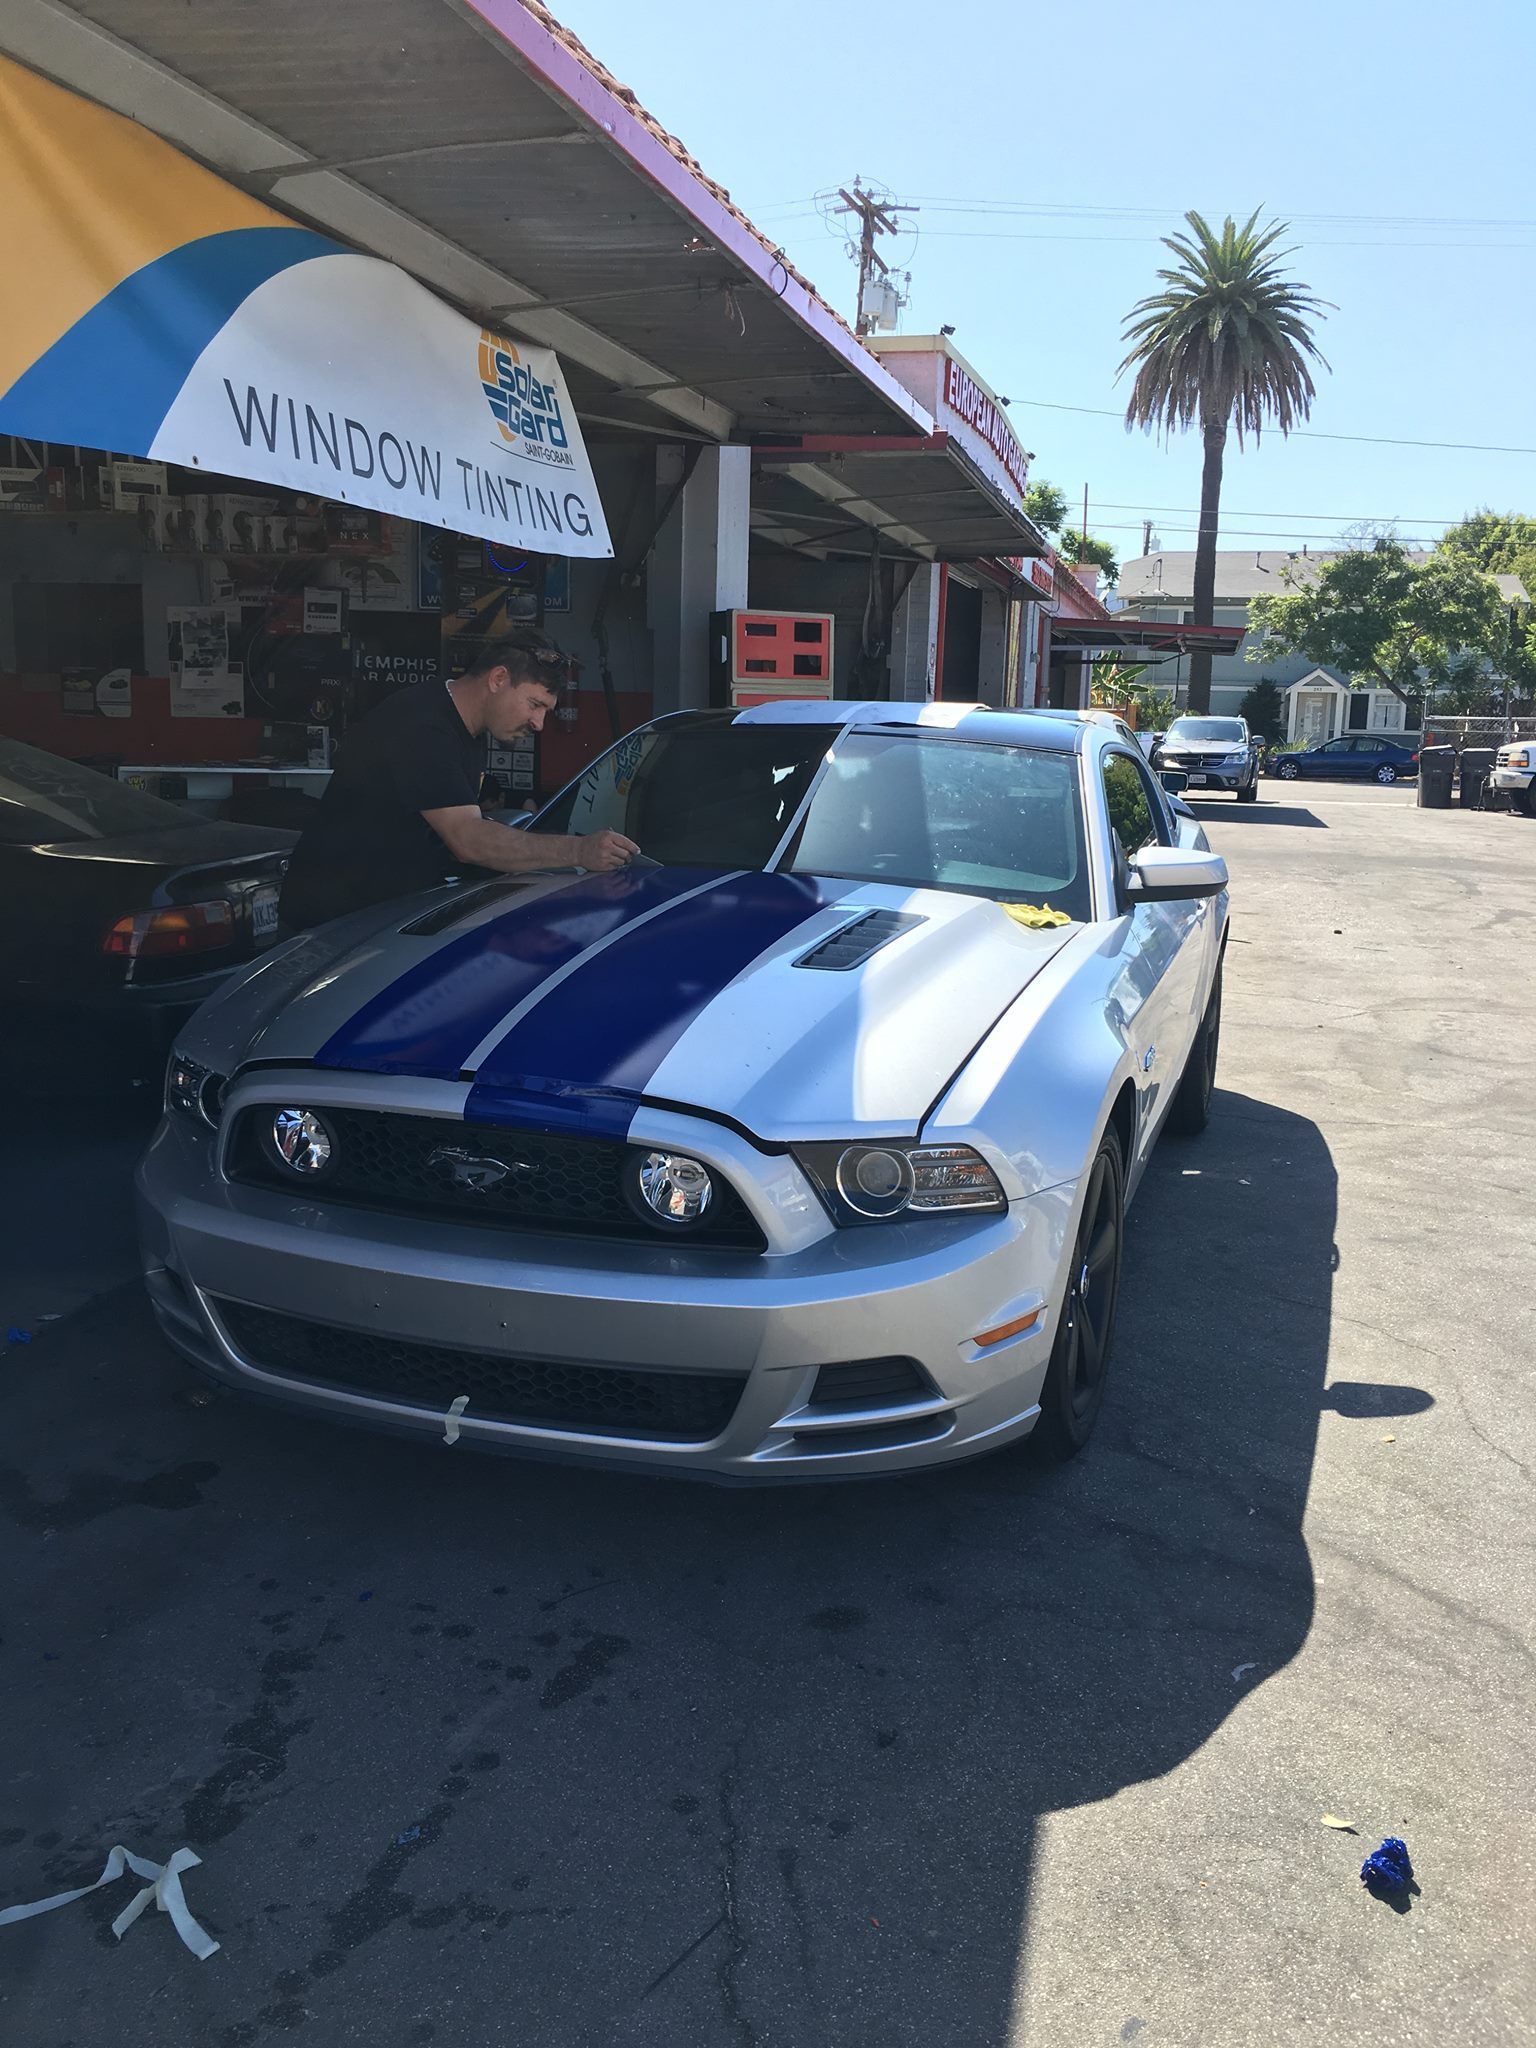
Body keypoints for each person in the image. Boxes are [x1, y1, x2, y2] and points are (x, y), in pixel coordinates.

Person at [278, 628, 637, 931]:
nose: (539, 724)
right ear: (498, 679)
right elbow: (469, 839)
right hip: (333, 923)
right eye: (535, 704)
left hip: (384, 915)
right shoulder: (422, 727)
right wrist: (579, 850)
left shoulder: (464, 727)